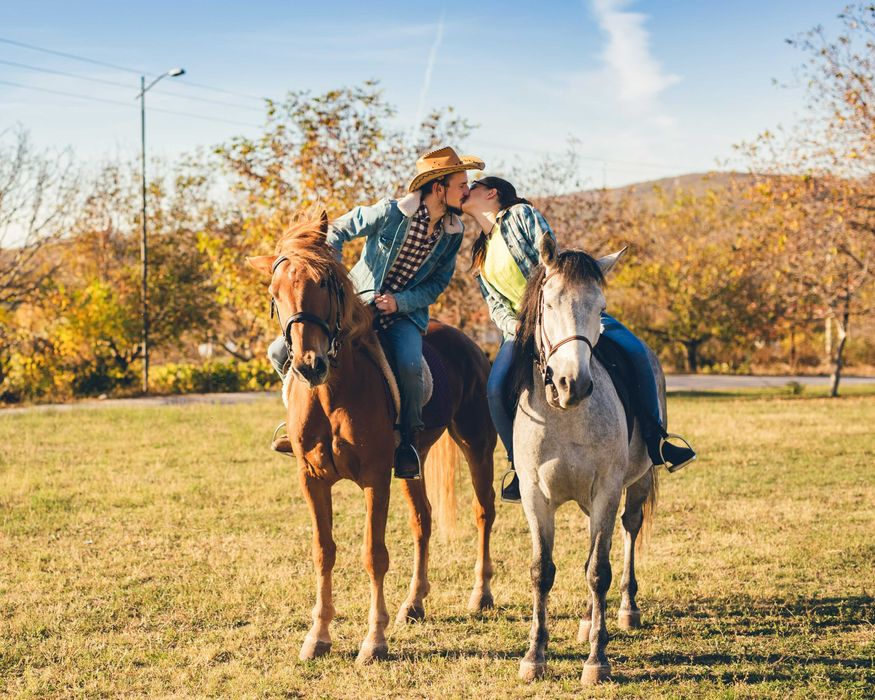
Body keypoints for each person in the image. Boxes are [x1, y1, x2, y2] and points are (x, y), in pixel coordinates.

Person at [461, 176, 696, 503]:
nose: (464, 191)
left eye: (471, 186)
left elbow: (556, 262)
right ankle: (519, 466)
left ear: (491, 193)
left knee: (637, 352)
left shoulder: (522, 216)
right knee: (496, 387)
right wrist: (513, 324)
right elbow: (494, 301)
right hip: (521, 329)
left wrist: (557, 303)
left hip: (567, 312)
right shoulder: (480, 252)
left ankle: (659, 440)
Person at [268, 146, 484, 480]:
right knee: (278, 350)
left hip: (404, 316)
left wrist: (401, 302)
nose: (466, 191)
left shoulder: (452, 235)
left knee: (412, 368)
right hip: (357, 307)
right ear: (438, 187)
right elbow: (339, 229)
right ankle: (296, 426)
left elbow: (438, 283)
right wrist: (331, 271)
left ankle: (408, 442)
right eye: (461, 184)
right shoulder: (390, 213)